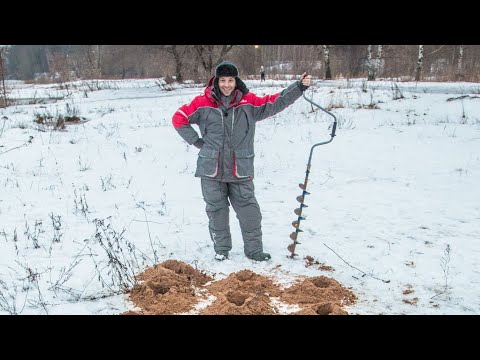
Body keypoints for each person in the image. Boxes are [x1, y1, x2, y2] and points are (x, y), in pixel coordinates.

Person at [172, 61, 311, 262]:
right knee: (216, 212)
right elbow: (179, 118)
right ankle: (222, 250)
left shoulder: (249, 103)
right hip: (212, 170)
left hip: (240, 169)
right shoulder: (202, 103)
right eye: (223, 80)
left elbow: (276, 102)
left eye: (230, 80)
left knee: (249, 212)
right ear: (216, 81)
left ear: (236, 81)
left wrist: (299, 87)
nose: (226, 85)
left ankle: (254, 251)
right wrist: (197, 142)